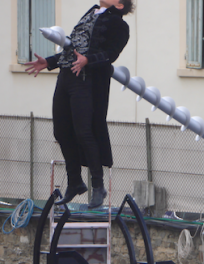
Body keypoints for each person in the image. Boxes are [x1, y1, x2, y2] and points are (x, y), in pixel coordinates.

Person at [25, 0, 134, 208]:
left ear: (120, 5)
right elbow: (74, 47)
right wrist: (49, 61)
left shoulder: (119, 25)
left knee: (84, 132)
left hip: (86, 80)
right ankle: (75, 182)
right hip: (66, 75)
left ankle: (98, 186)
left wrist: (88, 60)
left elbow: (110, 54)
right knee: (61, 131)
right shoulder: (91, 12)